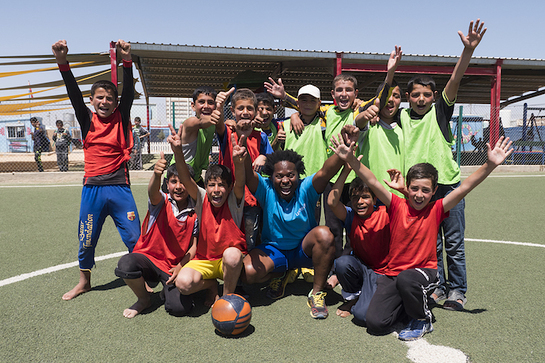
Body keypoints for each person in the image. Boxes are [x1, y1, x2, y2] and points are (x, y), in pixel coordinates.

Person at [331, 132, 512, 340]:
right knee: (374, 323)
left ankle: (422, 319)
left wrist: (490, 165)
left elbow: (465, 187)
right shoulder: (396, 205)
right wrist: (350, 160)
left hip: (422, 273)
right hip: (393, 275)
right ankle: (406, 307)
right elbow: (371, 180)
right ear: (406, 188)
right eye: (414, 188)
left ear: (434, 191)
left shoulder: (437, 209)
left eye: (425, 190)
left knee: (408, 279)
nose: (419, 194)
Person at [265, 47, 400, 262]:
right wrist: (286, 100)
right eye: (339, 90)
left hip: (353, 176)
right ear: (332, 95)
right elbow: (305, 105)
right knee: (333, 226)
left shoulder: (357, 111)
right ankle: (334, 266)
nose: (344, 94)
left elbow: (378, 101)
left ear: (356, 94)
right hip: (330, 178)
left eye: (348, 90)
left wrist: (389, 73)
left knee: (357, 222)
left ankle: (359, 261)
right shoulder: (326, 113)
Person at [399, 19, 486, 310]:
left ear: (434, 97)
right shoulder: (400, 118)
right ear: (407, 98)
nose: (421, 98)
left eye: (426, 94)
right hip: (419, 190)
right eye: (415, 95)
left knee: (453, 244)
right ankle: (437, 288)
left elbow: (455, 80)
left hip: (447, 186)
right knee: (431, 245)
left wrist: (467, 52)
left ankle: (457, 292)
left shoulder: (440, 112)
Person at [52, 39, 141, 300]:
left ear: (116, 102)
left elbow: (128, 93)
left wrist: (127, 60)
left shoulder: (121, 116)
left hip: (119, 188)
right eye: (99, 97)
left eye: (110, 98)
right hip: (92, 189)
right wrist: (62, 62)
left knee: (135, 239)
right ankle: (84, 281)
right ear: (92, 101)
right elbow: (73, 93)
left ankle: (142, 279)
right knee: (86, 238)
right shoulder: (86, 118)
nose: (105, 101)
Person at [241, 129, 356, 319]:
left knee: (325, 234)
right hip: (274, 250)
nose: (285, 180)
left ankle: (317, 293)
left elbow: (325, 172)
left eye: (291, 175)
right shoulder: (266, 188)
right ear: (272, 177)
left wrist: (340, 156)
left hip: (304, 251)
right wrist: (243, 152)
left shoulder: (306, 187)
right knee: (248, 274)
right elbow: (248, 175)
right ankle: (281, 273)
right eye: (279, 176)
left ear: (298, 174)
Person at [169, 97, 247, 307]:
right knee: (183, 284)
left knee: (232, 255)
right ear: (206, 186)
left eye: (221, 185)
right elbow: (186, 179)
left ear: (228, 188)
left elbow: (240, 181)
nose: (216, 190)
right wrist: (177, 151)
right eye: (211, 185)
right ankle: (210, 285)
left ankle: (227, 298)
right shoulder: (202, 197)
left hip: (226, 262)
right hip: (203, 260)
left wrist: (239, 162)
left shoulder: (233, 199)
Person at [115, 153, 198, 318]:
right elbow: (153, 192)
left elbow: (195, 246)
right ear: (167, 184)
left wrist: (180, 266)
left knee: (179, 309)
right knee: (126, 264)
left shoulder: (196, 212)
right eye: (174, 181)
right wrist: (156, 174)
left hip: (172, 267)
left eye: (183, 181)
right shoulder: (162, 201)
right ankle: (144, 299)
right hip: (149, 260)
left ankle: (166, 293)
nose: (179, 186)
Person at [327, 163, 390, 322]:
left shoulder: (386, 213)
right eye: (355, 197)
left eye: (365, 197)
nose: (360, 202)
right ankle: (353, 298)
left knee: (362, 315)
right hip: (363, 270)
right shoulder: (351, 216)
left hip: (385, 273)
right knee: (342, 262)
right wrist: (346, 171)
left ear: (375, 199)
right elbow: (332, 202)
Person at [215, 88, 273, 251]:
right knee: (228, 241)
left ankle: (248, 273)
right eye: (240, 108)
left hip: (252, 200)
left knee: (250, 241)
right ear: (232, 111)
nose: (245, 112)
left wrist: (265, 157)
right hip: (228, 198)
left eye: (249, 108)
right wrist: (219, 106)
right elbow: (218, 122)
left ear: (255, 111)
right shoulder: (227, 132)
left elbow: (274, 161)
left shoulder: (261, 137)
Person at [355, 80, 405, 199]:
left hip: (399, 198)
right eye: (387, 96)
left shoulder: (405, 128)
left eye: (396, 96)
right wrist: (366, 113)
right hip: (370, 198)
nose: (391, 99)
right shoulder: (368, 127)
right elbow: (358, 122)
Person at [176, 86, 218, 185]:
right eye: (202, 102)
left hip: (195, 177)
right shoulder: (190, 122)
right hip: (178, 178)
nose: (206, 106)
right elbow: (202, 122)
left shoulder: (212, 125)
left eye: (211, 102)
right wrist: (220, 108)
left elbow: (223, 125)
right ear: (193, 105)